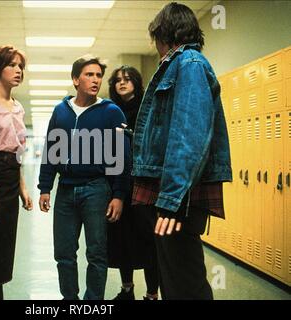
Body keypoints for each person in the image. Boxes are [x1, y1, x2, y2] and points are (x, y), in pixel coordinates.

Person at [131, 2, 232, 300]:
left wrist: (172, 199)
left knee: (184, 282)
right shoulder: (180, 64)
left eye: (156, 38)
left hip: (179, 196)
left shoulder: (189, 64)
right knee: (175, 279)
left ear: (164, 33)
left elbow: (189, 135)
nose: (156, 46)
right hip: (173, 192)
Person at [38, 55, 130, 300]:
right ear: (75, 79)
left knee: (97, 253)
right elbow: (51, 150)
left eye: (99, 75)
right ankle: (70, 300)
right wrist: (45, 187)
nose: (95, 79)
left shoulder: (112, 112)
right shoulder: (61, 111)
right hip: (65, 190)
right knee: (64, 253)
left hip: (96, 189)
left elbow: (121, 157)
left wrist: (119, 195)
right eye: (89, 74)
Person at [0, 45, 33, 300]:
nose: (18, 70)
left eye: (20, 66)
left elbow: (17, 151)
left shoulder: (17, 107)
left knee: (3, 246)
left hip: (12, 175)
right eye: (12, 65)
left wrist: (22, 187)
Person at [107, 66, 159, 300]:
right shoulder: (109, 111)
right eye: (118, 80)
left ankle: (151, 294)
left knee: (149, 240)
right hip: (117, 184)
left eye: (127, 79)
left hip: (144, 183)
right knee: (121, 238)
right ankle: (127, 288)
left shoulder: (147, 110)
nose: (122, 83)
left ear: (136, 83)